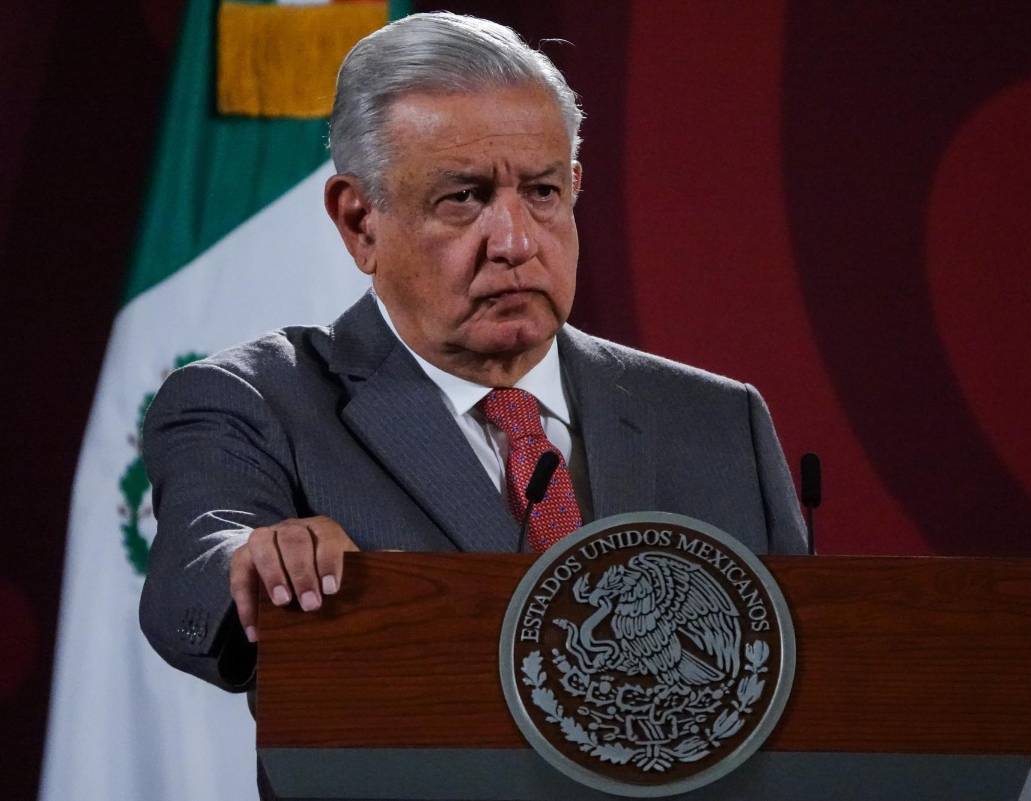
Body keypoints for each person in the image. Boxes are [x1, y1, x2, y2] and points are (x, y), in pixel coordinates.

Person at [139, 12, 806, 697]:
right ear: (360, 221)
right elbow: (198, 562)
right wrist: (257, 562)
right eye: (463, 197)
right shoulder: (256, 403)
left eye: (542, 192)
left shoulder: (718, 420)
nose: (516, 242)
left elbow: (802, 673)